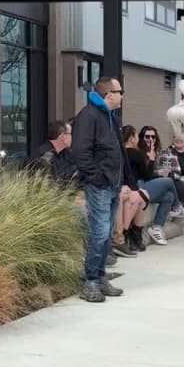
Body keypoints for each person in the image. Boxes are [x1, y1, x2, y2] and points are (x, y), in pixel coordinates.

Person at [71, 77, 126, 302]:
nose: (122, 95)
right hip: (100, 185)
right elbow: (80, 152)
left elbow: (118, 152)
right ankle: (91, 281)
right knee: (99, 232)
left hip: (112, 184)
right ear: (108, 94)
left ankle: (100, 277)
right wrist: (98, 178)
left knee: (105, 234)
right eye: (120, 91)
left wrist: (124, 179)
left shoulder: (110, 117)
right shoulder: (89, 116)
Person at [122, 125, 177, 246]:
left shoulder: (123, 152)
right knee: (169, 181)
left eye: (153, 136)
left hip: (135, 185)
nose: (150, 139)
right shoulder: (137, 153)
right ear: (133, 138)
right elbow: (146, 175)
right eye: (147, 136)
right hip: (138, 185)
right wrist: (151, 160)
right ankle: (177, 207)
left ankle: (156, 228)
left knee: (168, 197)